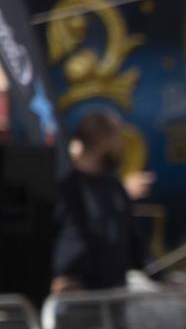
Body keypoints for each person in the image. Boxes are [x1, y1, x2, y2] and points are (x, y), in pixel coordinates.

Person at [50, 109, 148, 294]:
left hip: (113, 293)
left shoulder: (114, 186)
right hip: (76, 295)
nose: (121, 145)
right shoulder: (67, 188)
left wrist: (160, 275)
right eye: (117, 138)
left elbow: (133, 239)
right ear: (103, 141)